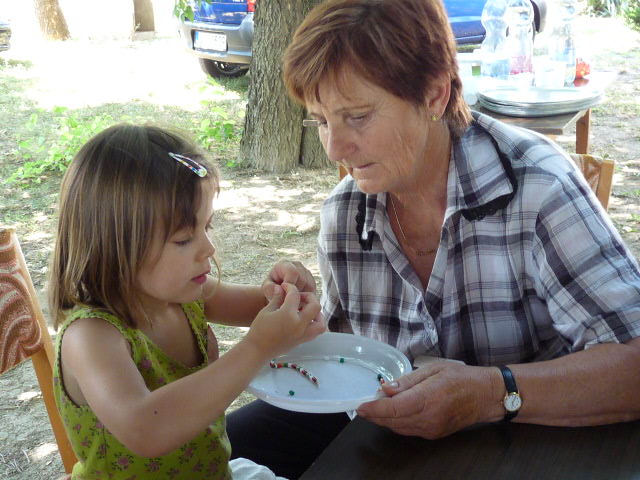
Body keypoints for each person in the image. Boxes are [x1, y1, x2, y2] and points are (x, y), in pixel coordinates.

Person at [226, 0, 640, 477]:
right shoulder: (345, 216)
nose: (335, 148)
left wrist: (493, 392)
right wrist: (300, 321)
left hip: (536, 446)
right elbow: (350, 363)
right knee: (202, 450)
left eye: (357, 116)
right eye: (321, 120)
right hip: (390, 440)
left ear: (435, 95)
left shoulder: (535, 188)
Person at [48, 123, 326, 480]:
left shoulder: (185, 296)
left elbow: (263, 306)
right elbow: (146, 430)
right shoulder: (91, 336)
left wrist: (287, 289)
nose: (208, 248)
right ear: (114, 246)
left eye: (206, 226)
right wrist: (258, 346)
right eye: (183, 239)